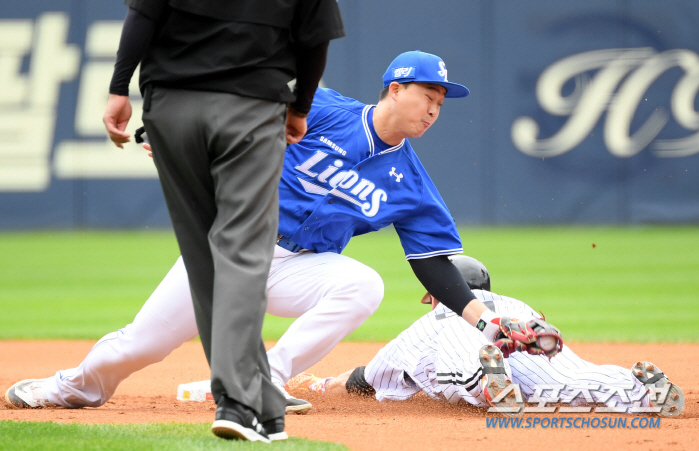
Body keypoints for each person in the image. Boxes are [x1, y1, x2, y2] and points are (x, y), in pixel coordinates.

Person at [5, 51, 560, 431]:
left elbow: (434, 263)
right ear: (397, 89)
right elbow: (240, 103)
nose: (436, 108)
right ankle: (70, 387)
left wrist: (488, 324)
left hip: (301, 267)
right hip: (232, 247)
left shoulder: (413, 185)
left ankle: (267, 379)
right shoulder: (322, 110)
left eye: (443, 100)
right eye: (429, 94)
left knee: (362, 283)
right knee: (142, 345)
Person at [100, 0, 344, 443]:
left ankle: (262, 405)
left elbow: (144, 14)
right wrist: (301, 106)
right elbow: (315, 37)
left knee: (203, 256)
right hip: (250, 108)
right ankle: (239, 401)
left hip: (171, 108)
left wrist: (119, 89)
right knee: (244, 251)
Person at [286, 256, 685, 418]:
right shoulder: (515, 304)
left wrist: (322, 385)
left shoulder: (436, 317)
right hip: (525, 339)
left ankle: (486, 384)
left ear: (435, 293)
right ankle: (640, 390)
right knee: (568, 380)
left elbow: (364, 379)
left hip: (467, 351)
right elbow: (545, 336)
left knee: (454, 348)